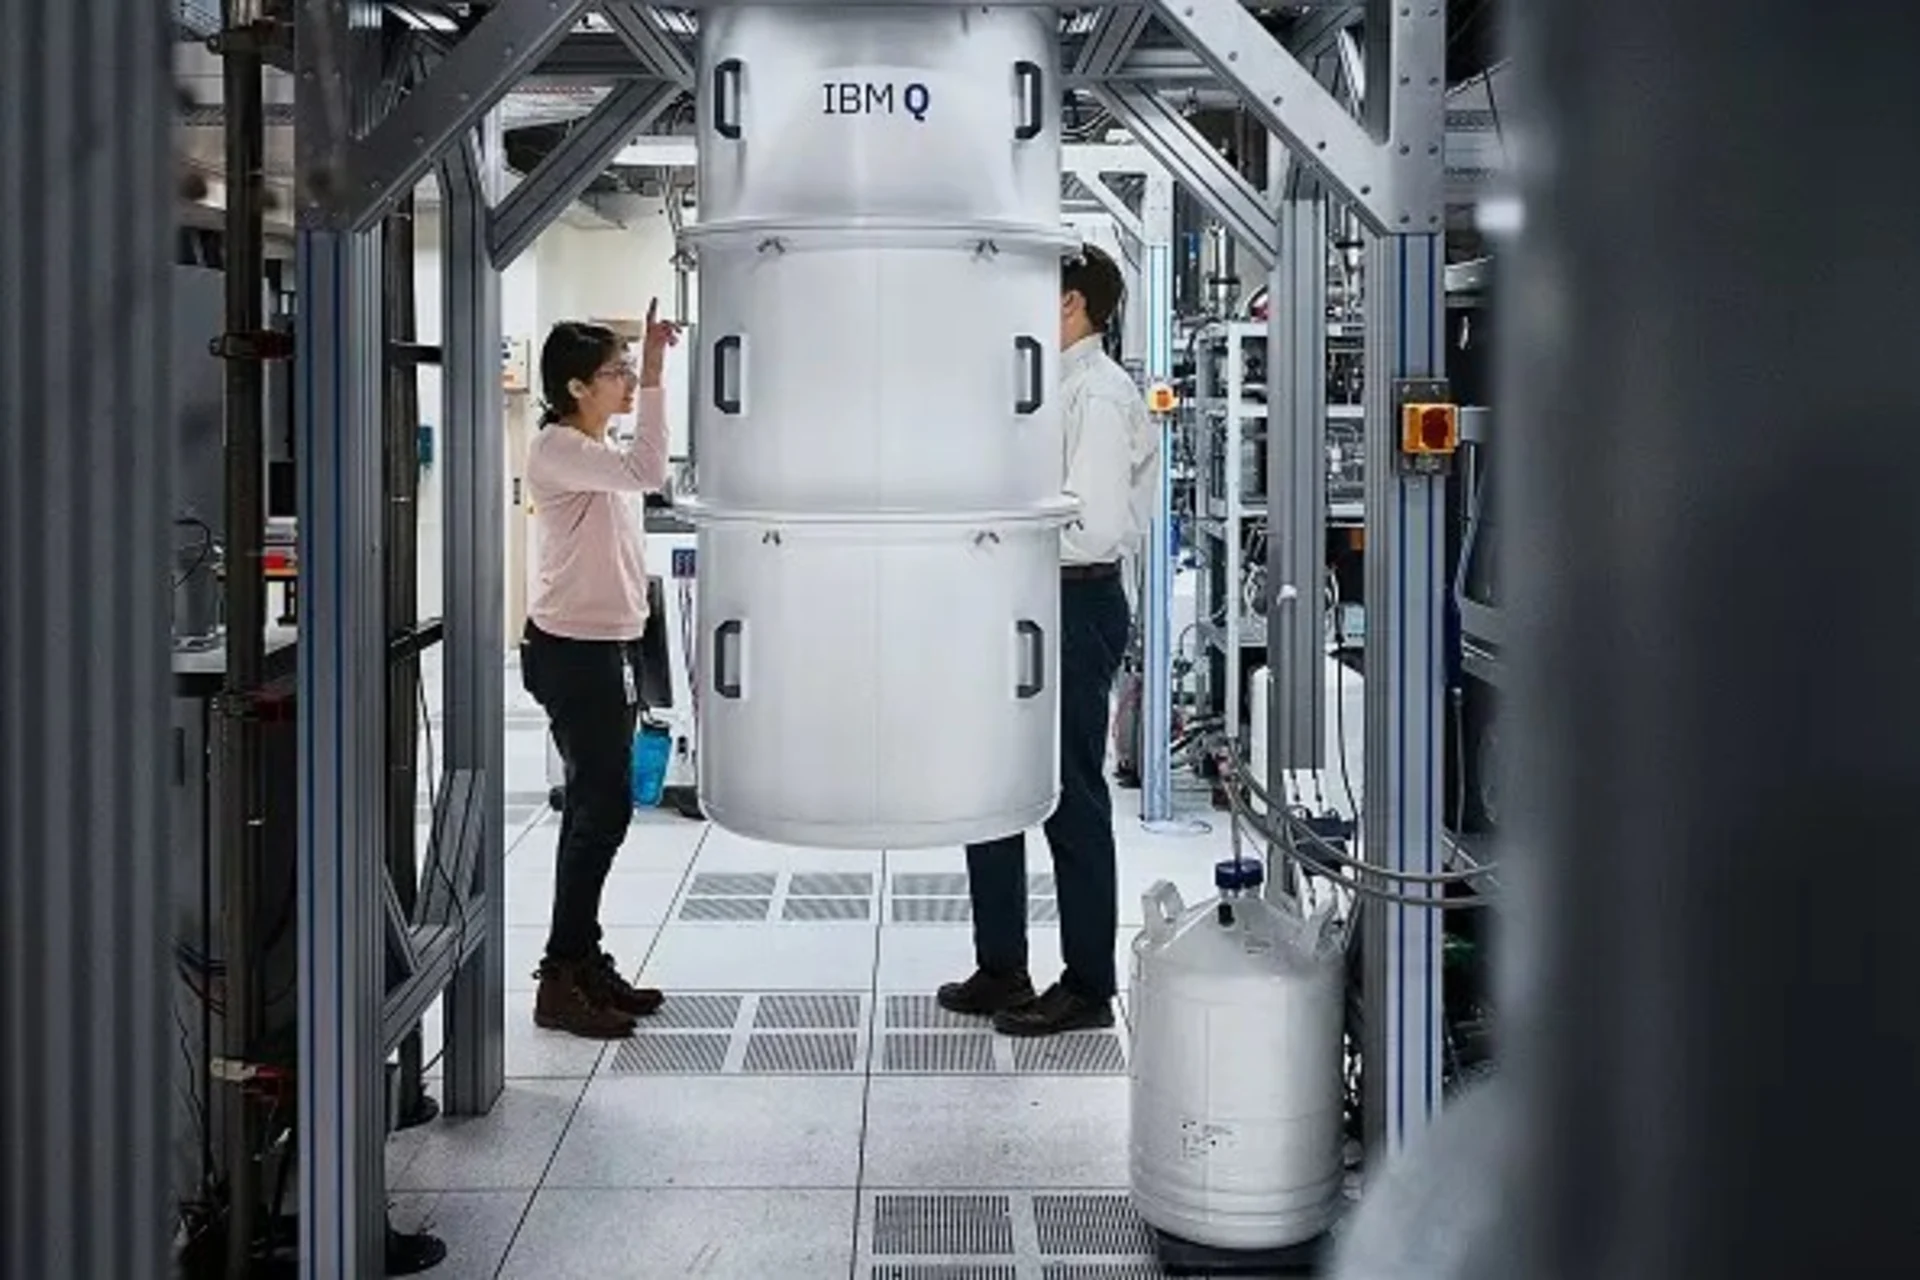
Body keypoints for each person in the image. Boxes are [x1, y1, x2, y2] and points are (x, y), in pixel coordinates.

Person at [938, 244, 1159, 1036]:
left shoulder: (1096, 396)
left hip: (1073, 607)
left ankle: (1089, 986)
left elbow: (1093, 531)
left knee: (1069, 794)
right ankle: (1002, 966)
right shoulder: (1043, 387)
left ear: (1071, 306)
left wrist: (998, 533)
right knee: (990, 787)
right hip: (1022, 600)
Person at [521, 301, 681, 1040]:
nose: (623, 382)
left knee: (598, 807)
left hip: (604, 645)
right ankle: (562, 972)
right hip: (573, 651)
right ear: (578, 386)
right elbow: (650, 470)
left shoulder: (593, 445)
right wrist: (656, 372)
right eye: (614, 372)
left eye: (625, 369)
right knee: (601, 808)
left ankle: (580, 959)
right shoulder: (559, 447)